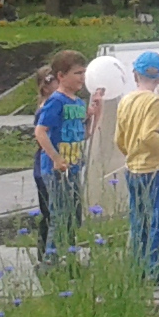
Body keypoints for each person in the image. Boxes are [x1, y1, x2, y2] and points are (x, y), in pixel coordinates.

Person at [114, 51, 159, 282]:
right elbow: (149, 135)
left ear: (135, 74)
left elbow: (119, 138)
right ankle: (155, 271)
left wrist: (131, 153)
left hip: (132, 169)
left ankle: (138, 268)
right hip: (152, 169)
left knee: (138, 220)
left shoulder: (126, 100)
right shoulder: (155, 101)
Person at [32, 50, 89, 257]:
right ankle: (51, 260)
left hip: (73, 166)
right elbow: (40, 131)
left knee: (74, 216)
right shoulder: (56, 101)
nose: (82, 77)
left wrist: (97, 112)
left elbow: (85, 133)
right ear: (61, 76)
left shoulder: (78, 103)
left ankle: (69, 257)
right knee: (59, 215)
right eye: (77, 73)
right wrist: (56, 158)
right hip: (57, 170)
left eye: (83, 72)